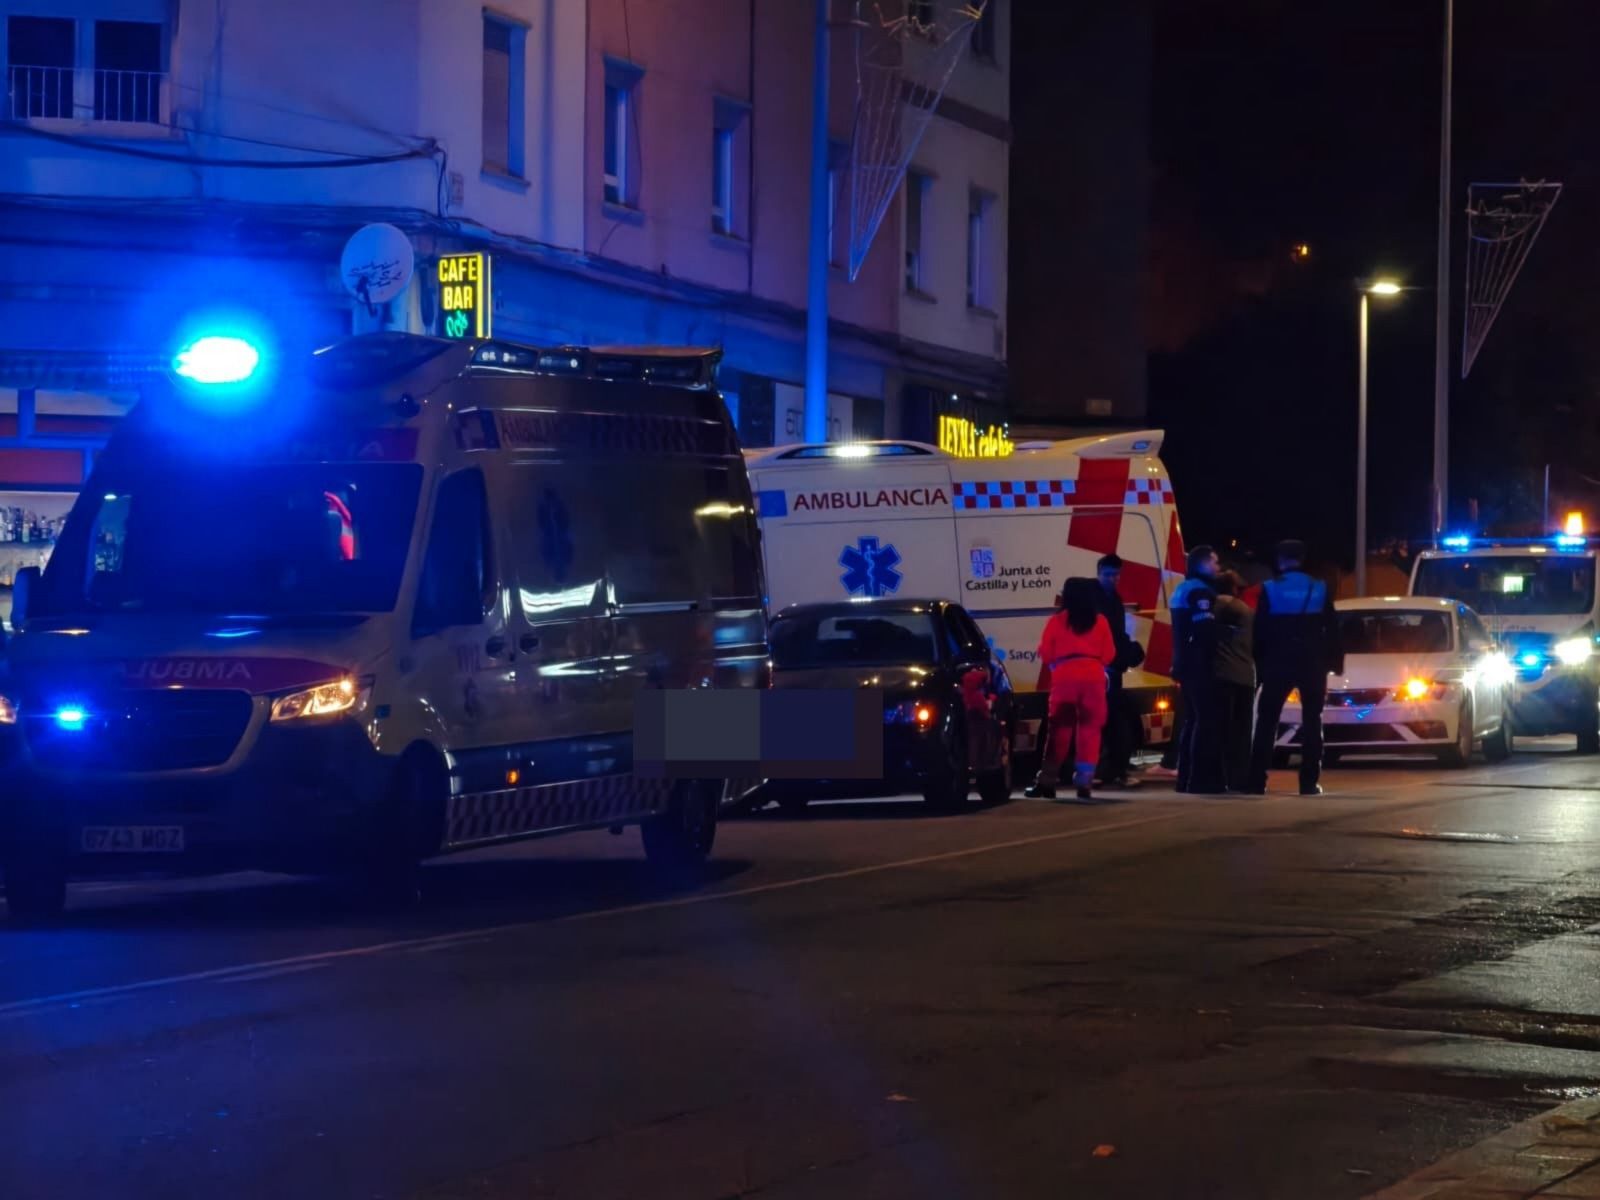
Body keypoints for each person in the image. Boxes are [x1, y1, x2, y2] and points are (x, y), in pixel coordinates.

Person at [1247, 539, 1344, 796]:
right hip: (1312, 663)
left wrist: (1259, 664)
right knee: (1313, 721)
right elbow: (1332, 628)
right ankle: (1309, 783)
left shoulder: (1269, 588)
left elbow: (1260, 631)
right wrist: (1335, 663)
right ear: (1302, 559)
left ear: (1280, 561)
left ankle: (1257, 781)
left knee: (1267, 722)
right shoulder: (1319, 588)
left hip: (1278, 663)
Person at [1027, 577, 1116, 801]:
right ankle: (1084, 782)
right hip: (1094, 677)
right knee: (1090, 730)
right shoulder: (1101, 621)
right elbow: (1109, 654)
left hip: (1065, 677)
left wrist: (1058, 664)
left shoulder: (1057, 622)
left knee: (1059, 731)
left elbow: (1045, 652)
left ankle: (1047, 781)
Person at [1170, 544, 1226, 794]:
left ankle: (1185, 779)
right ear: (1202, 564)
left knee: (1192, 720)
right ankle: (1200, 779)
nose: (1218, 566)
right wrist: (1227, 633)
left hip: (1185, 662)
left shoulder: (1182, 588)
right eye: (1214, 561)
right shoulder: (1200, 592)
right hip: (1200, 663)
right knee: (1205, 721)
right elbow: (1205, 631)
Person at [1092, 554, 1146, 787]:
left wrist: (1128, 650)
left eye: (1116, 575)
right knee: (1109, 722)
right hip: (1103, 670)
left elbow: (1117, 634)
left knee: (1114, 721)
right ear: (1098, 573)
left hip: (1111, 668)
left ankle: (1111, 770)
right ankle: (1108, 770)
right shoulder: (1096, 600)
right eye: (1108, 575)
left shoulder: (1113, 598)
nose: (1113, 579)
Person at [1212, 571, 1256, 792]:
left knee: (1221, 729)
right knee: (1241, 731)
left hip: (1221, 676)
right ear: (1235, 588)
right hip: (1246, 676)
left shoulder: (1212, 608)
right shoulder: (1248, 612)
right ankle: (1239, 779)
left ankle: (1219, 777)